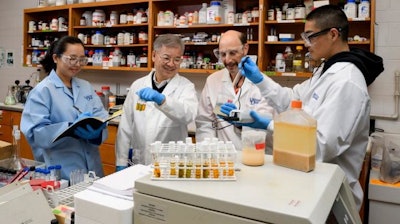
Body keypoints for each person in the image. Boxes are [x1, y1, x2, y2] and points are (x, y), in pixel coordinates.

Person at [220, 5, 384, 210]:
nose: (306, 44)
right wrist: (260, 80)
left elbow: (321, 145)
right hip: (310, 185)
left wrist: (269, 125)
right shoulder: (326, 70)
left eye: (310, 36)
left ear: (333, 34)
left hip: (332, 196)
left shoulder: (346, 81)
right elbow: (292, 101)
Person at [21, 36, 109, 181]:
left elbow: (101, 116)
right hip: (60, 171)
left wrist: (96, 133)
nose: (77, 64)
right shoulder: (42, 91)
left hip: (93, 168)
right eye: (72, 58)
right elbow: (36, 134)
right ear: (56, 58)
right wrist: (70, 129)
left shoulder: (85, 86)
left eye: (81, 59)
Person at [115, 34, 198, 170]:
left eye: (177, 59)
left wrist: (162, 100)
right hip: (139, 162)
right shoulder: (138, 85)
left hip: (171, 165)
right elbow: (126, 127)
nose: (171, 64)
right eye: (166, 58)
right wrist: (121, 161)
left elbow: (188, 115)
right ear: (154, 55)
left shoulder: (186, 87)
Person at [196, 30, 274, 152]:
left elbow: (266, 128)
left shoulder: (263, 85)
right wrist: (209, 151)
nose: (227, 60)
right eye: (222, 54)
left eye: (233, 53)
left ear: (245, 49)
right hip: (223, 159)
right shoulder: (213, 81)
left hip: (255, 157)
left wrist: (240, 121)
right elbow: (205, 123)